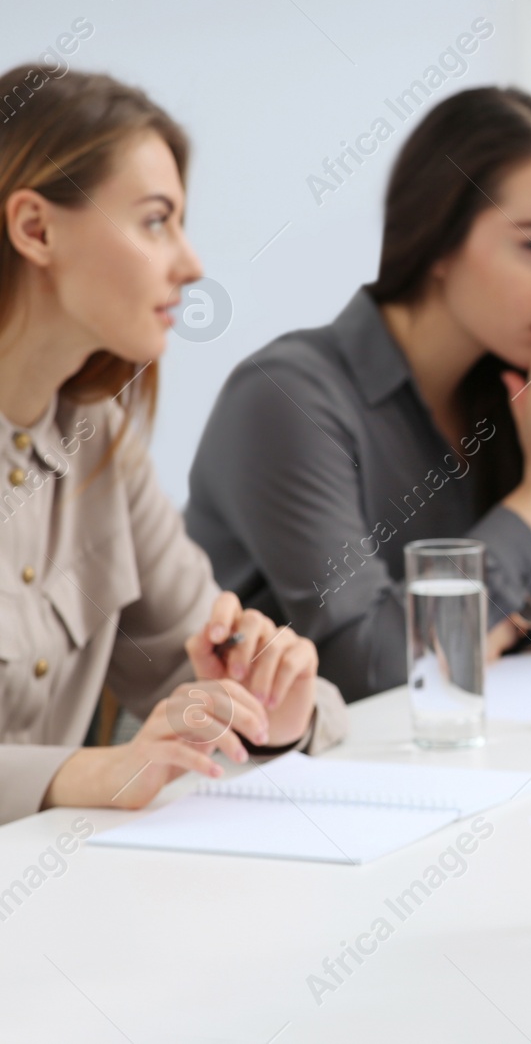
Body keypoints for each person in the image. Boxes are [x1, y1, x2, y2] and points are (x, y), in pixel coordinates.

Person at [185, 88, 531, 701]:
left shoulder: (512, 386)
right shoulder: (285, 400)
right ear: (440, 238)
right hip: (254, 774)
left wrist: (519, 616)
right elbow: (372, 663)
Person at [0, 67, 346, 825]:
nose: (189, 264)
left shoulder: (100, 446)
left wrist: (269, 710)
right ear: (34, 228)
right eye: (156, 221)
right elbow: (107, 769)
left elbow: (186, 659)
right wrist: (89, 771)